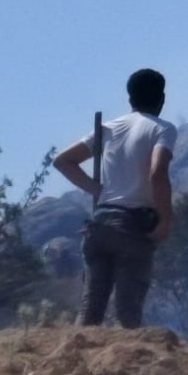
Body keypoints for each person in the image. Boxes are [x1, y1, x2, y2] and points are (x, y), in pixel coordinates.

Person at [53, 68, 176, 328]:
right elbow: (157, 172)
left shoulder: (109, 128)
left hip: (99, 225)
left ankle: (73, 363)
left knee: (90, 310)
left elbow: (63, 161)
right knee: (128, 314)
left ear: (130, 98)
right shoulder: (162, 129)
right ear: (161, 99)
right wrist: (165, 220)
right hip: (133, 226)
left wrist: (97, 190)